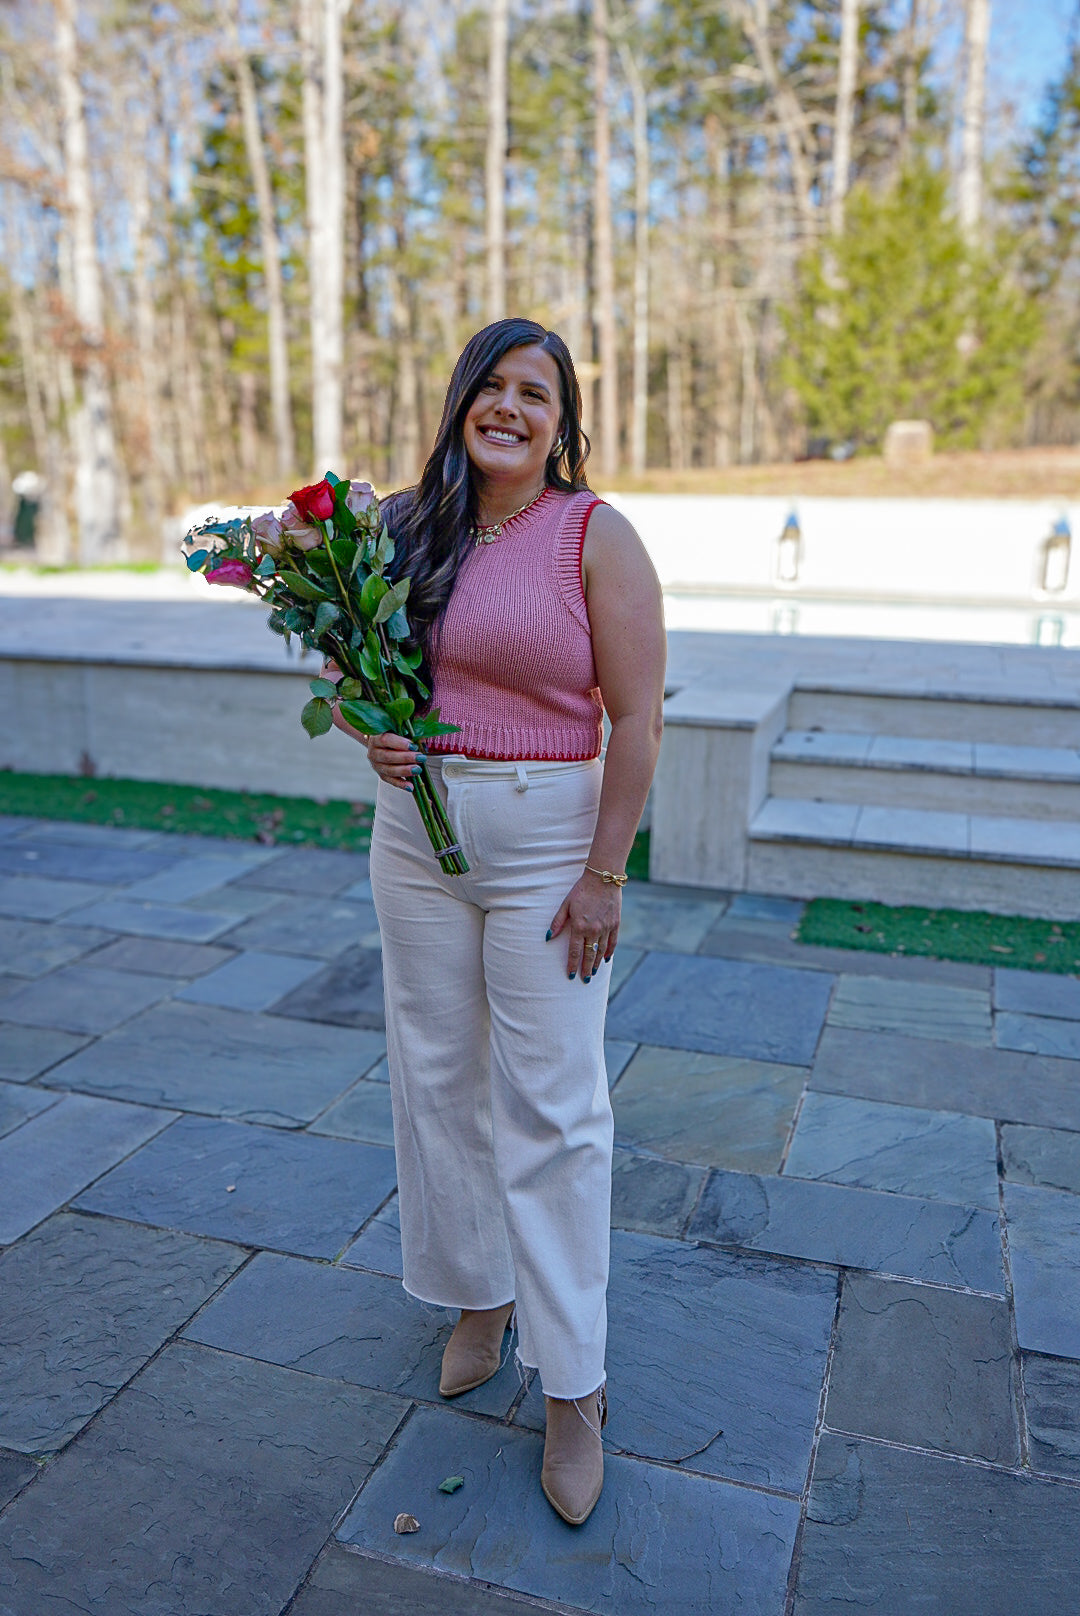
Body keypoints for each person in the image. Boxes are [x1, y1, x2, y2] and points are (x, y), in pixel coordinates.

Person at [328, 317, 666, 1527]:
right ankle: (481, 1293)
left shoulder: (594, 534)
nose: (511, 406)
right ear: (462, 398)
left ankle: (575, 1383)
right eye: (494, 384)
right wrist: (372, 728)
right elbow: (368, 672)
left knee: (555, 1104)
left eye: (537, 391)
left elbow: (636, 718)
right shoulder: (411, 528)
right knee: (436, 1075)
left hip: (545, 843)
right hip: (415, 840)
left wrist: (604, 873)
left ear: (560, 418)